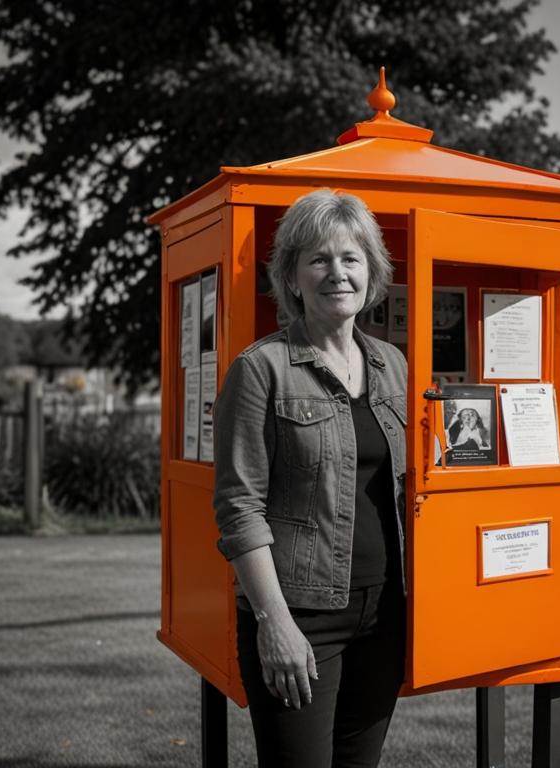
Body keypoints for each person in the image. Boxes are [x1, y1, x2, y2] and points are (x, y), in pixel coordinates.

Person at [212, 188, 408, 767]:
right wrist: (275, 623)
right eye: (318, 259)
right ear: (293, 277)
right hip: (302, 616)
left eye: (351, 258)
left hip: (385, 613)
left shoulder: (393, 364)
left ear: (371, 273)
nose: (336, 273)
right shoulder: (259, 369)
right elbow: (238, 508)